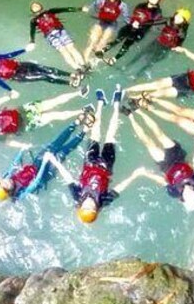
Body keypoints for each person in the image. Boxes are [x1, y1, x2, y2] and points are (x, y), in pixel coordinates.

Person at [51, 85, 136, 223]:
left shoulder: (77, 195)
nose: (90, 205)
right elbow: (119, 188)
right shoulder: (103, 201)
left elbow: (68, 177)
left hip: (90, 162)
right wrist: (135, 175)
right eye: (92, 208)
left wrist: (55, 162)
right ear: (96, 210)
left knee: (95, 132)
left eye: (86, 207)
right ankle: (116, 104)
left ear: (81, 207)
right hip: (105, 166)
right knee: (110, 135)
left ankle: (100, 104)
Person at [0, 107, 95, 202]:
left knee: (55, 143)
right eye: (5, 186)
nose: (6, 182)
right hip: (45, 172)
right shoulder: (20, 193)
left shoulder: (7, 178)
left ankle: (75, 123)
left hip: (35, 165)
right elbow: (36, 181)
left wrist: (22, 151)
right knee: (63, 152)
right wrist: (45, 162)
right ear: (8, 192)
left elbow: (14, 165)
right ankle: (84, 131)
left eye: (2, 182)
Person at [122, 109, 194, 211]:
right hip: (178, 157)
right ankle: (138, 111)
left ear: (183, 200)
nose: (188, 196)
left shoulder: (174, 192)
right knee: (160, 134)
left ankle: (130, 116)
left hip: (166, 166)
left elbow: (161, 181)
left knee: (148, 142)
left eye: (186, 199)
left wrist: (145, 174)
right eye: (191, 196)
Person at [0, 86, 90, 148]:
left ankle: (79, 93)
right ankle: (83, 111)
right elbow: (9, 142)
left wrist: (10, 96)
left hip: (25, 110)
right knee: (54, 116)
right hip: (27, 124)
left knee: (54, 102)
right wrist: (23, 146)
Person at [97, 0, 165, 66]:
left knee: (127, 44)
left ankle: (114, 59)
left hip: (140, 31)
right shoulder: (140, 5)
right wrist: (132, 22)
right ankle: (103, 50)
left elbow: (156, 21)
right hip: (130, 26)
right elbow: (133, 16)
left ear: (158, 1)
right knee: (118, 39)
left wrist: (141, 24)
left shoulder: (157, 11)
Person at [0, 44, 80, 92]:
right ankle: (70, 84)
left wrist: (25, 49)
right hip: (19, 76)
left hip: (22, 65)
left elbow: (9, 55)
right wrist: (11, 90)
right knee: (44, 76)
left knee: (47, 69)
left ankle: (72, 75)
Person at [123, 8, 191, 75]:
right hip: (157, 42)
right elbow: (153, 22)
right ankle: (127, 66)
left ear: (184, 21)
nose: (177, 18)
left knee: (151, 62)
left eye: (180, 18)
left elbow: (179, 44)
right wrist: (140, 24)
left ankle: (138, 75)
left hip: (165, 48)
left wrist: (177, 48)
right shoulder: (168, 20)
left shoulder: (182, 33)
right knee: (141, 54)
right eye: (177, 15)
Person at [28, 0, 86, 71]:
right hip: (50, 36)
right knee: (63, 51)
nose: (35, 6)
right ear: (32, 10)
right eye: (33, 6)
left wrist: (80, 9)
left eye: (37, 4)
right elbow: (32, 31)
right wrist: (32, 41)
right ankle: (77, 68)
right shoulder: (34, 21)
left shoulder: (50, 11)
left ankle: (83, 64)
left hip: (61, 31)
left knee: (71, 47)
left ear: (41, 6)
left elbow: (66, 9)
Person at [82, 0, 129, 65]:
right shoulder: (102, 0)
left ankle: (93, 62)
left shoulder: (122, 5)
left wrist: (132, 23)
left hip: (112, 24)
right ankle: (85, 62)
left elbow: (126, 17)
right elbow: (94, 4)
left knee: (103, 42)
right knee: (93, 40)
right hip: (101, 21)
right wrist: (88, 8)